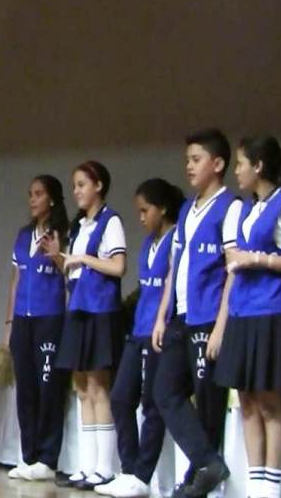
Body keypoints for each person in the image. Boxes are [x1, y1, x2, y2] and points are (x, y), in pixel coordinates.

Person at [216, 135, 281, 498]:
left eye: (241, 164)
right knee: (247, 401)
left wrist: (259, 258)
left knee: (270, 402)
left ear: (258, 166)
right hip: (242, 311)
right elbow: (232, 262)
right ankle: (256, 485)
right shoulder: (243, 209)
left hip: (272, 311)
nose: (237, 171)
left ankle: (270, 490)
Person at [151, 128, 241, 497]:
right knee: (164, 391)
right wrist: (162, 314)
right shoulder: (187, 209)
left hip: (208, 318)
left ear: (217, 164)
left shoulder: (230, 207)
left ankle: (198, 480)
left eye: (196, 159)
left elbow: (233, 271)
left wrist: (220, 326)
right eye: (187, 159)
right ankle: (208, 463)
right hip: (181, 317)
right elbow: (175, 265)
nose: (188, 166)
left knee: (207, 402)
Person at [97, 179, 183, 497]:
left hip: (160, 332)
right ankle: (129, 469)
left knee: (152, 405)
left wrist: (163, 322)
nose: (141, 217)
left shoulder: (176, 240)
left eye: (146, 210)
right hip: (137, 331)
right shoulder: (148, 243)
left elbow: (172, 289)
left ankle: (143, 477)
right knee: (120, 397)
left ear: (163, 209)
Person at [55, 160, 127, 490]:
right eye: (74, 186)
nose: (76, 191)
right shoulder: (78, 226)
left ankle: (105, 468)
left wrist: (82, 258)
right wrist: (59, 257)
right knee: (82, 388)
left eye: (82, 184)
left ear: (98, 185)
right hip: (78, 309)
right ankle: (86, 466)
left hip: (100, 310)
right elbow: (71, 269)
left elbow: (118, 267)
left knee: (99, 387)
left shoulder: (111, 221)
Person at [5, 175, 71, 482]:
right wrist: (9, 323)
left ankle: (47, 458)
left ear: (52, 199)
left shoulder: (64, 234)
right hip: (23, 320)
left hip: (51, 319)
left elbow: (70, 276)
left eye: (39, 194)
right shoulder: (23, 235)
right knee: (26, 389)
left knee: (49, 389)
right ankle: (28, 455)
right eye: (30, 194)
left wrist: (57, 255)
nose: (32, 199)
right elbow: (16, 281)